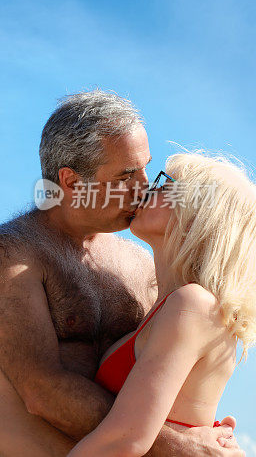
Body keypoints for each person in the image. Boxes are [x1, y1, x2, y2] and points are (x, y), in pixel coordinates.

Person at [0, 90, 241, 456]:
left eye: (146, 167)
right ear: (73, 183)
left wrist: (207, 434)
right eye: (127, 175)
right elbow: (42, 391)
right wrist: (176, 446)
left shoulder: (141, 264)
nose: (144, 186)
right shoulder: (9, 254)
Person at [68, 152, 256, 456]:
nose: (146, 190)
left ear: (198, 215)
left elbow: (126, 439)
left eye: (166, 185)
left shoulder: (193, 304)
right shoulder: (172, 306)